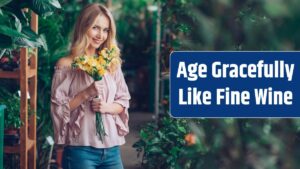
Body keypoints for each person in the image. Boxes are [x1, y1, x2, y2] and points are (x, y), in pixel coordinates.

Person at [50, 3, 130, 169]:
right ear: (83, 27)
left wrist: (107, 107)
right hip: (81, 151)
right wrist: (85, 93)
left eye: (106, 30)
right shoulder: (66, 65)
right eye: (95, 27)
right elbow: (58, 109)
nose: (101, 35)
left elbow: (123, 101)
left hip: (112, 150)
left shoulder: (111, 63)